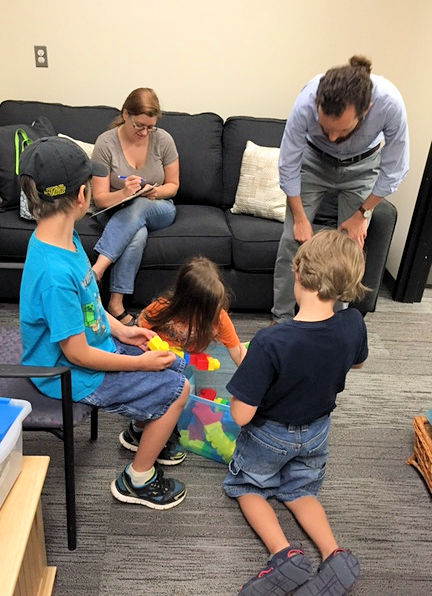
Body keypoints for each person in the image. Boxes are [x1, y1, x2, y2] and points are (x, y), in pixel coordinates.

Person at [19, 136, 189, 510]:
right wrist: (137, 363)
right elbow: (76, 353)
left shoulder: (66, 238)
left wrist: (122, 329)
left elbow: (90, 305)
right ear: (82, 195)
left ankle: (140, 426)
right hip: (66, 374)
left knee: (175, 359)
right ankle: (136, 479)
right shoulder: (54, 273)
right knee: (178, 389)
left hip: (93, 350)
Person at [223, 229, 368, 595]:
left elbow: (241, 415)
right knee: (301, 489)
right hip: (317, 430)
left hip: (270, 436)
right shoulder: (353, 324)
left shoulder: (271, 340)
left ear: (298, 275)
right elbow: (358, 363)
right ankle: (333, 553)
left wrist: (241, 384)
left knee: (246, 485)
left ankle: (283, 554)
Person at [272, 55, 409, 323]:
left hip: (362, 166)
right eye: (326, 128)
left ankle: (333, 323)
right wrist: (300, 219)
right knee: (291, 239)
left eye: (342, 130)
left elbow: (395, 170)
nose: (333, 139)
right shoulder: (306, 101)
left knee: (349, 249)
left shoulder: (389, 104)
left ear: (365, 110)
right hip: (313, 162)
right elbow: (288, 165)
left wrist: (361, 213)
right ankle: (281, 319)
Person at [117, 256, 247, 456]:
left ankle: (164, 427)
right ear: (184, 301)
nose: (209, 314)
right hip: (157, 361)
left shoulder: (218, 317)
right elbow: (137, 333)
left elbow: (237, 351)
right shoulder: (163, 307)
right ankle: (138, 430)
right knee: (158, 396)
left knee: (183, 396)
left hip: (186, 363)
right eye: (203, 310)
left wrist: (253, 379)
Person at [91, 87, 179, 326]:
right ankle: (116, 304)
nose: (144, 132)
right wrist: (123, 193)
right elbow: (99, 199)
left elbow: (173, 185)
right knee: (137, 233)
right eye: (139, 125)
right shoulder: (105, 143)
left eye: (150, 127)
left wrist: (154, 191)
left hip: (158, 206)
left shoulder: (164, 140)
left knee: (139, 205)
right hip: (113, 210)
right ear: (125, 114)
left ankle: (97, 270)